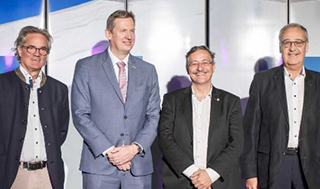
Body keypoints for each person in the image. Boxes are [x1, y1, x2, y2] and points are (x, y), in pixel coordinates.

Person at [71, 10, 160, 189]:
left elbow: (154, 116)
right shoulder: (86, 67)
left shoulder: (148, 70)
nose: (129, 36)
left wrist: (134, 148)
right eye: (123, 31)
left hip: (138, 166)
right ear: (109, 34)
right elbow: (80, 115)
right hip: (99, 166)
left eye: (132, 31)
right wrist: (112, 152)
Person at [241, 23, 320, 189]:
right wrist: (250, 173)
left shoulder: (318, 82)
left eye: (298, 42)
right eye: (287, 43)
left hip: (311, 166)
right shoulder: (262, 80)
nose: (292, 48)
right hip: (273, 164)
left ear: (307, 47)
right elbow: (251, 130)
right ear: (280, 47)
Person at [158, 45, 243, 189]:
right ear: (187, 69)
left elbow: (237, 143)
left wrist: (210, 175)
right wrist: (194, 174)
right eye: (194, 63)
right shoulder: (172, 100)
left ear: (213, 66)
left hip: (220, 182)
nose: (200, 67)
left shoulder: (231, 102)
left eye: (205, 62)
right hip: (181, 181)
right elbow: (165, 138)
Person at [0, 26, 69, 189]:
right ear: (19, 49)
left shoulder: (59, 89)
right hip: (13, 175)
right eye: (31, 48)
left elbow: (61, 131)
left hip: (48, 175)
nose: (37, 53)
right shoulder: (2, 85)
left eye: (43, 49)